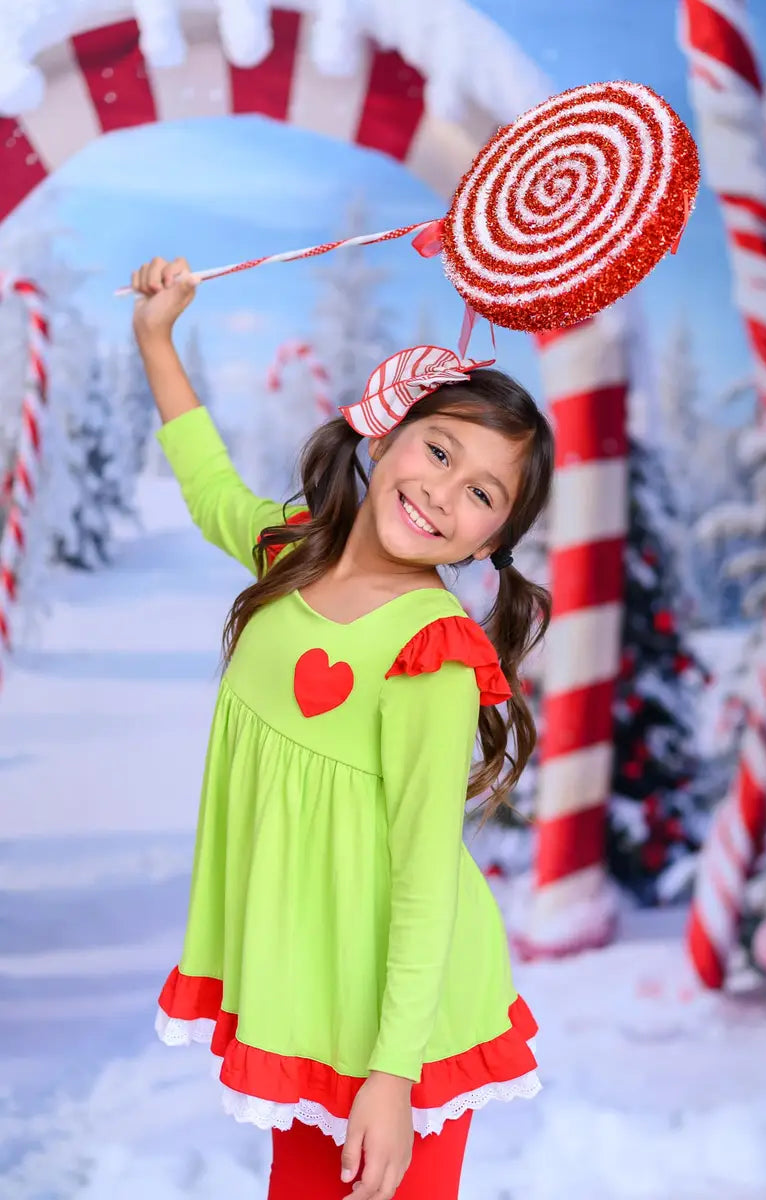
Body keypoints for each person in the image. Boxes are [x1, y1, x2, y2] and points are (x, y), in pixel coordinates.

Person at [131, 255, 554, 1200]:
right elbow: (209, 486)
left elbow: (420, 874)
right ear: (389, 431)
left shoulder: (429, 653)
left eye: (484, 494)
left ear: (490, 542)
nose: (445, 493)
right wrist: (157, 337)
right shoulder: (295, 550)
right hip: (311, 987)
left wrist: (395, 1076)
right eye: (440, 451)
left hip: (402, 1018)